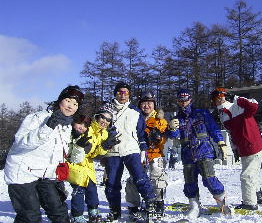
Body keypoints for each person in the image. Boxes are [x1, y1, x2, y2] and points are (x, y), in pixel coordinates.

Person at [4, 85, 84, 223]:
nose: (71, 106)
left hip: (46, 175)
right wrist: (48, 127)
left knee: (59, 213)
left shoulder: (66, 126)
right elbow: (21, 142)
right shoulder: (38, 117)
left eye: (75, 104)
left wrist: (80, 145)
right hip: (22, 173)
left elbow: (68, 157)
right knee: (30, 216)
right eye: (68, 100)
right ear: (60, 100)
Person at [169, 89, 230, 219]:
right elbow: (174, 137)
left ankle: (222, 203)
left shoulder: (201, 113)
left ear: (190, 99)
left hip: (204, 151)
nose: (183, 102)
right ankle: (194, 207)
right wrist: (172, 128)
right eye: (180, 100)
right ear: (178, 102)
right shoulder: (177, 118)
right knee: (189, 181)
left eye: (185, 100)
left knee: (209, 178)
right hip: (187, 154)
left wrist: (221, 143)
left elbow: (213, 128)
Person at [102, 82, 156, 222]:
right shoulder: (106, 109)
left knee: (140, 178)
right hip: (112, 151)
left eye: (126, 92)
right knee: (112, 183)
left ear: (129, 94)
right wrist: (103, 144)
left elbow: (141, 133)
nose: (123, 95)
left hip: (131, 149)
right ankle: (114, 211)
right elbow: (98, 129)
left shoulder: (135, 111)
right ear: (115, 93)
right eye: (120, 92)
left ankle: (151, 205)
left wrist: (144, 149)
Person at [211, 87, 262, 210]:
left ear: (226, 96)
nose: (218, 100)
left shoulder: (237, 106)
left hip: (252, 145)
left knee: (247, 176)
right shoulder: (223, 114)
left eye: (221, 97)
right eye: (216, 99)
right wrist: (235, 149)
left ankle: (250, 203)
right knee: (252, 173)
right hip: (243, 148)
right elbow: (231, 133)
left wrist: (236, 98)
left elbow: (254, 106)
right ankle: (257, 195)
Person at [125, 91, 169, 221]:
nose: (147, 106)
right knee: (134, 179)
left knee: (157, 174)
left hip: (155, 153)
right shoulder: (135, 117)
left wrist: (159, 138)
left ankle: (158, 203)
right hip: (138, 153)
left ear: (154, 105)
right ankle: (133, 206)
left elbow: (165, 138)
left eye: (150, 103)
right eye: (144, 103)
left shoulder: (159, 120)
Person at [68, 105, 114, 223]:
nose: (105, 121)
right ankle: (76, 215)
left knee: (92, 190)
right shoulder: (87, 126)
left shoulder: (104, 134)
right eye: (103, 117)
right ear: (97, 116)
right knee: (79, 190)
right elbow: (74, 145)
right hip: (76, 164)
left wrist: (104, 147)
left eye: (109, 119)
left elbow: (93, 155)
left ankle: (93, 211)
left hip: (88, 165)